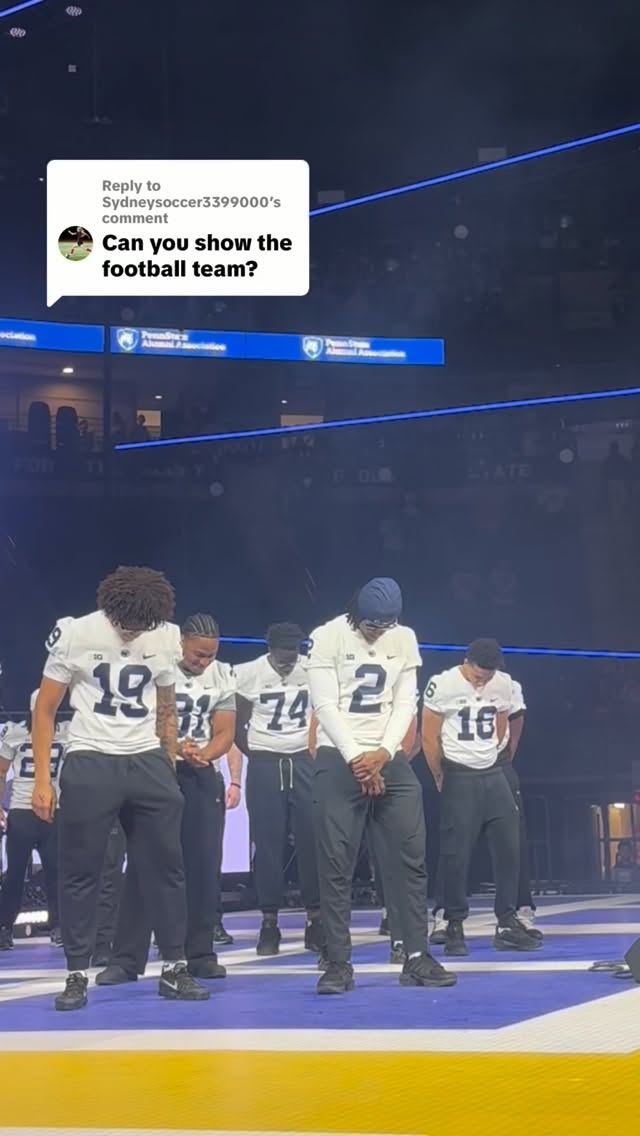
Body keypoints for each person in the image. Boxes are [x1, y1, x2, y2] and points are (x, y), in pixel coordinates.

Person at [31, 566, 209, 1011]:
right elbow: (47, 709)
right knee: (81, 870)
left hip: (146, 758)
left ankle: (174, 968)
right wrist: (41, 779)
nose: (133, 631)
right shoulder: (74, 633)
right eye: (126, 624)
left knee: (167, 867)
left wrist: (166, 764)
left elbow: (166, 707)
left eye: (141, 625)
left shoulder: (166, 635)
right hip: (90, 757)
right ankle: (75, 973)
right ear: (110, 609)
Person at [307, 577, 456, 994]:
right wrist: (357, 757)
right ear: (357, 614)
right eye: (372, 625)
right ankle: (338, 962)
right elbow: (325, 705)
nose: (378, 632)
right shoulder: (327, 636)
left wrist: (385, 753)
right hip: (340, 757)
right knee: (336, 863)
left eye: (384, 625)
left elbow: (406, 702)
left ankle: (416, 956)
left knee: (411, 858)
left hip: (387, 757)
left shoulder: (404, 637)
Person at [96, 613, 237, 984]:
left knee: (204, 866)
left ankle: (200, 953)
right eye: (197, 654)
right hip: (155, 770)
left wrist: (205, 753)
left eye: (209, 656)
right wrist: (172, 747)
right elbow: (143, 717)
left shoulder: (222, 675)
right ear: (181, 644)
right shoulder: (157, 665)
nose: (203, 662)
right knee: (145, 863)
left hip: (201, 774)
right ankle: (126, 959)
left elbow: (225, 730)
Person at [421, 638, 541, 957]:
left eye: (487, 675)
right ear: (466, 662)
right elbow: (429, 734)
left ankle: (506, 922)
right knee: (456, 853)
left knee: (508, 845)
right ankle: (454, 923)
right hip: (459, 772)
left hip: (492, 771)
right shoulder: (443, 683)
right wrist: (438, 773)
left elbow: (506, 715)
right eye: (477, 674)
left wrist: (500, 752)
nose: (482, 680)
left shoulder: (502, 684)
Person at [235, 623, 323, 956]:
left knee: (312, 841)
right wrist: (258, 753)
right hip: (266, 762)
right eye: (282, 657)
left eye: (293, 656)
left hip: (303, 760)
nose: (289, 663)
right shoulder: (249, 674)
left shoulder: (312, 670)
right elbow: (237, 725)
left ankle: (315, 919)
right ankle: (269, 923)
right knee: (268, 845)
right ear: (269, 649)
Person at [0, 693, 68, 950]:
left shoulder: (17, 730)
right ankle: (5, 926)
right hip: (28, 807)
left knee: (53, 872)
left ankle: (59, 925)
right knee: (20, 873)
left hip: (49, 808)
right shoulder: (64, 731)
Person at [213, 742, 243, 946]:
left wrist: (235, 782)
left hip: (206, 774)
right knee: (167, 857)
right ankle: (166, 930)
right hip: (167, 774)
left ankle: (212, 921)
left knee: (210, 857)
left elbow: (230, 741)